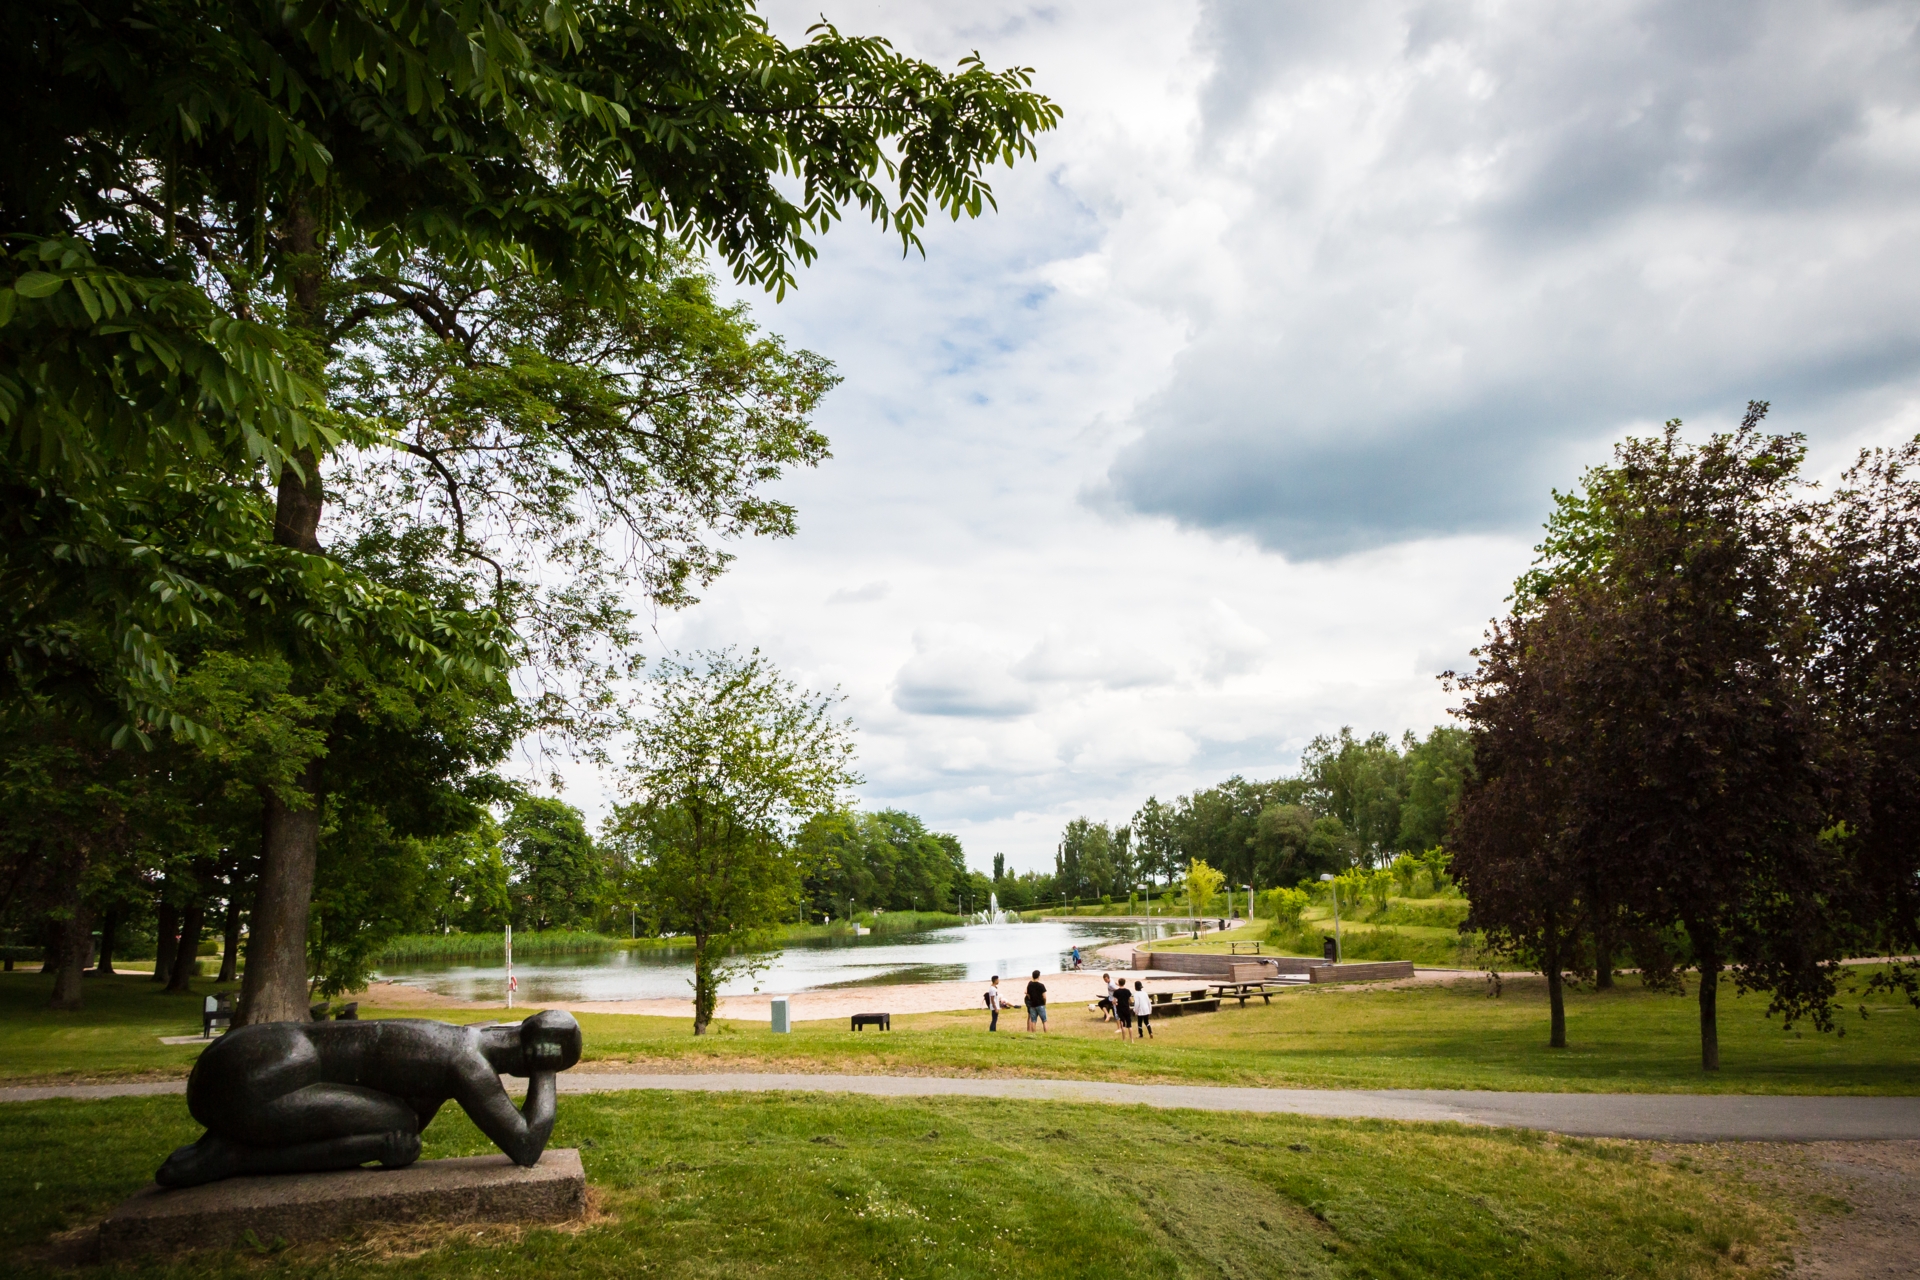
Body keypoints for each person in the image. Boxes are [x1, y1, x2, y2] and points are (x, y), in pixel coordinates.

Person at [155, 1010, 582, 1187]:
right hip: (248, 1083)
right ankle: (235, 1157)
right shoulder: (466, 1062)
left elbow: (413, 1103)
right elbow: (526, 1146)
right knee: (396, 1126)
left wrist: (392, 1145)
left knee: (399, 1128)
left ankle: (232, 1149)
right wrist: (546, 1073)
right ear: (531, 1055)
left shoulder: (471, 1035)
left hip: (244, 1057)